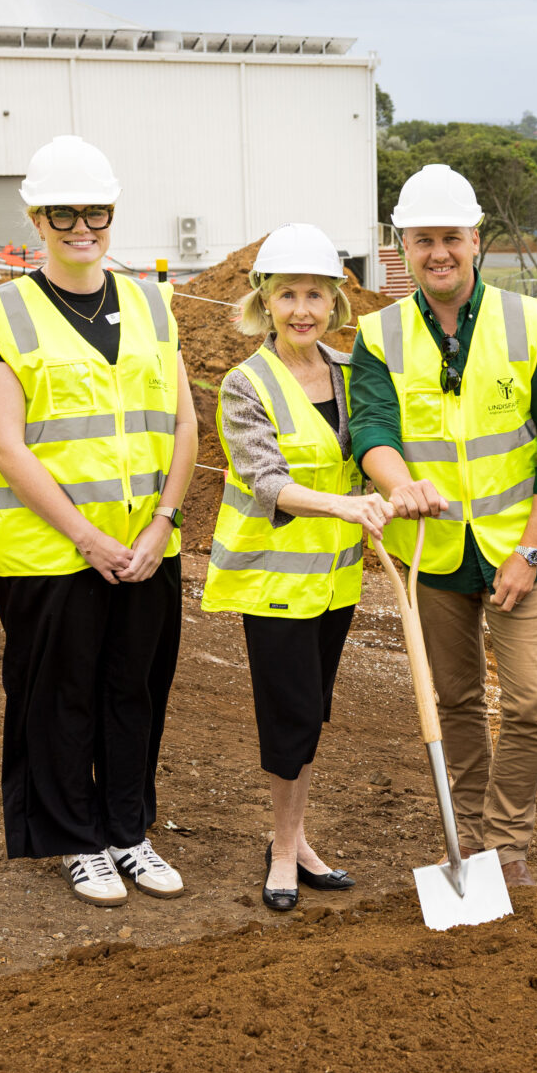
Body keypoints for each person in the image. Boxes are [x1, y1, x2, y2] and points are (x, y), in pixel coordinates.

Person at [0, 136, 197, 907]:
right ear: (36, 219)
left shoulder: (154, 305)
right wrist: (86, 537)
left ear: (112, 212)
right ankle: (76, 840)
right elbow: (7, 444)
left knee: (136, 693)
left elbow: (185, 425)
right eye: (62, 213)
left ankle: (127, 830)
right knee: (60, 699)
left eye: (95, 211)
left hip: (146, 548)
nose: (81, 227)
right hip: (55, 555)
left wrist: (162, 525)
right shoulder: (1, 313)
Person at [350, 162, 537, 887]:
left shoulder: (529, 325)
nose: (439, 253)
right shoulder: (380, 335)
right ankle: (480, 847)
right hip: (433, 553)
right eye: (423, 240)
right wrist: (401, 485)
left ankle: (507, 841)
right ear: (403, 247)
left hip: (521, 551)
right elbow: (372, 430)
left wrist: (530, 551)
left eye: (451, 237)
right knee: (454, 702)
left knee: (532, 700)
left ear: (476, 239)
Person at [201, 225, 397, 911]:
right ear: (265, 300)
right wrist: (347, 506)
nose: (302, 310)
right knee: (289, 717)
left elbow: (375, 446)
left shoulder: (350, 371)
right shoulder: (244, 384)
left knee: (312, 715)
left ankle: (298, 838)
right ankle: (284, 850)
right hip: (274, 581)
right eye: (288, 295)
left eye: (315, 295)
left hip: (335, 580)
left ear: (336, 302)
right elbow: (265, 480)